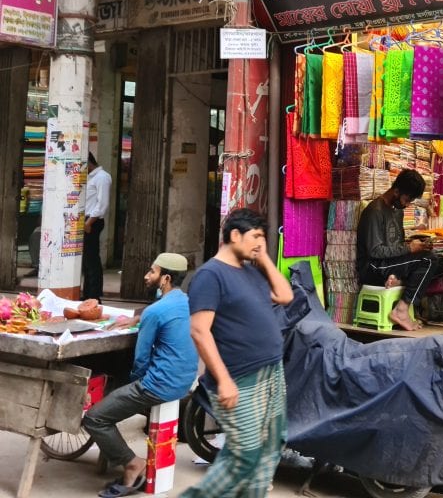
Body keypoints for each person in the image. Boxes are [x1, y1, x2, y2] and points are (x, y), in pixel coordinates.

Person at [183, 208, 293, 498]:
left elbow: (285, 295)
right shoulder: (210, 275)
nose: (260, 242)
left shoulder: (251, 271)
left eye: (262, 237)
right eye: (255, 236)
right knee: (244, 454)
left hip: (271, 371)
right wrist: (224, 380)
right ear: (234, 235)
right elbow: (199, 331)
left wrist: (264, 257)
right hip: (240, 377)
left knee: (272, 442)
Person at [83, 253, 198, 498]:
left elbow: (141, 359)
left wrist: (134, 381)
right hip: (185, 379)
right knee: (117, 392)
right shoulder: (187, 301)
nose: (147, 276)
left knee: (94, 418)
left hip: (159, 384)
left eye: (152, 272)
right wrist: (138, 317)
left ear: (165, 278)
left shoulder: (155, 312)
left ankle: (132, 463)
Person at [356, 169, 443, 331]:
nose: (406, 204)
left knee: (442, 262)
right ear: (396, 190)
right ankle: (401, 309)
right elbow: (375, 251)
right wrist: (408, 248)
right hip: (374, 267)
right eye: (407, 199)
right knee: (428, 260)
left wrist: (416, 244)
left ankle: (397, 280)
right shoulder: (374, 212)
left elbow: (396, 244)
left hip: (390, 263)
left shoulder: (397, 211)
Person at [83, 152, 112, 301]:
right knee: (86, 261)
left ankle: (94, 295)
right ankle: (87, 294)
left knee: (92, 259)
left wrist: (89, 223)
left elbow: (103, 204)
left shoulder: (102, 177)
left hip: (93, 221)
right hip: (85, 220)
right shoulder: (89, 177)